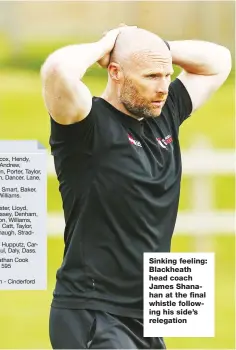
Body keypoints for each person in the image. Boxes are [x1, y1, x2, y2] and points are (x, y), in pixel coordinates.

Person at [41, 25, 231, 349]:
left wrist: (158, 47)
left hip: (148, 315)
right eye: (151, 77)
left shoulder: (163, 114)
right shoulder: (85, 125)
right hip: (93, 313)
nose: (163, 88)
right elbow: (57, 70)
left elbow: (220, 60)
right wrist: (105, 45)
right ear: (115, 72)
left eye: (167, 74)